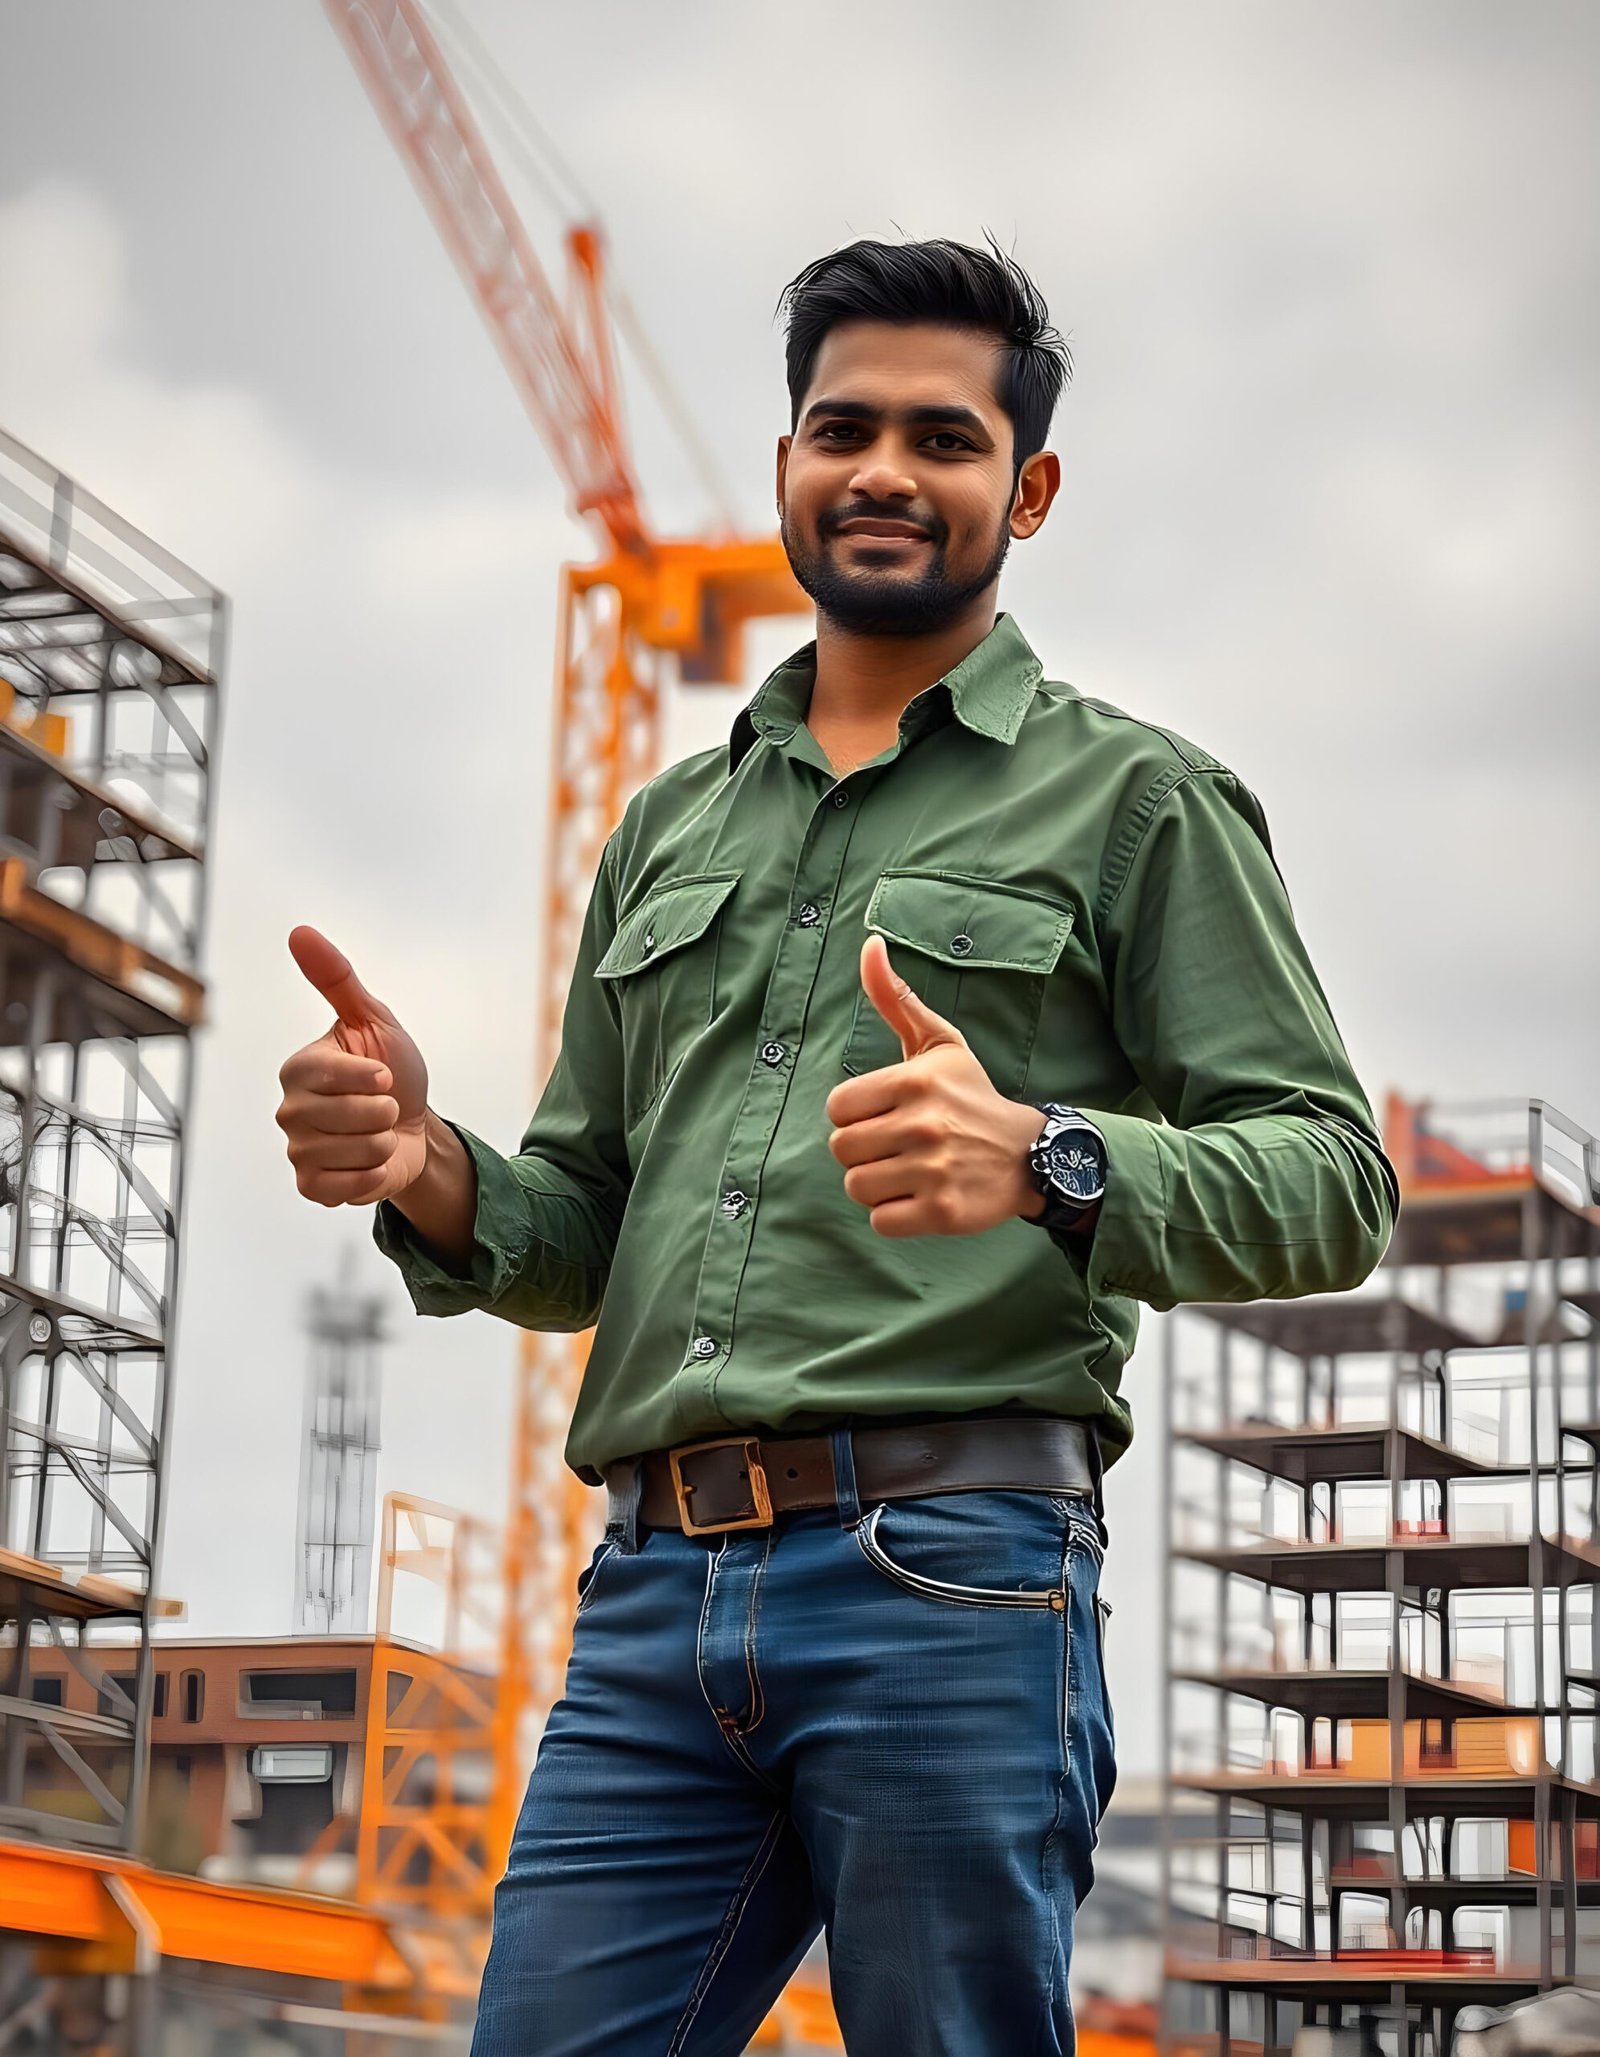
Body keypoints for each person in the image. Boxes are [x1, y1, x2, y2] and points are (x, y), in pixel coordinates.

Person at [276, 236, 1397, 2056]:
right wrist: (422, 1159)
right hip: (650, 1602)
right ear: (788, 460)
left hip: (949, 1582)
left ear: (1025, 488)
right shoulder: (663, 830)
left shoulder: (1140, 804)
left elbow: (1335, 1181)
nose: (883, 467)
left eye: (942, 438)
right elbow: (586, 1223)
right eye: (841, 426)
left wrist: (1048, 1154)